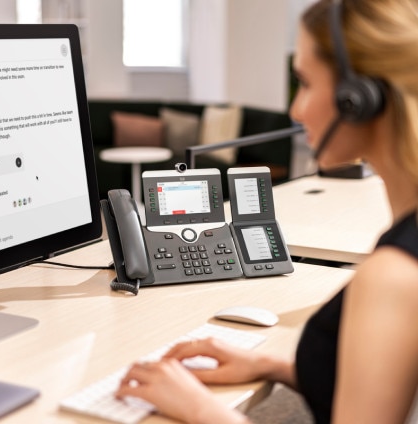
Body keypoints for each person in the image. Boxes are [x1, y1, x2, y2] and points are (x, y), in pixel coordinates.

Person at [116, 0, 418, 422]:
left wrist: (202, 410)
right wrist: (272, 366)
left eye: (305, 82)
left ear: (360, 99)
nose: (295, 109)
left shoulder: (396, 275)